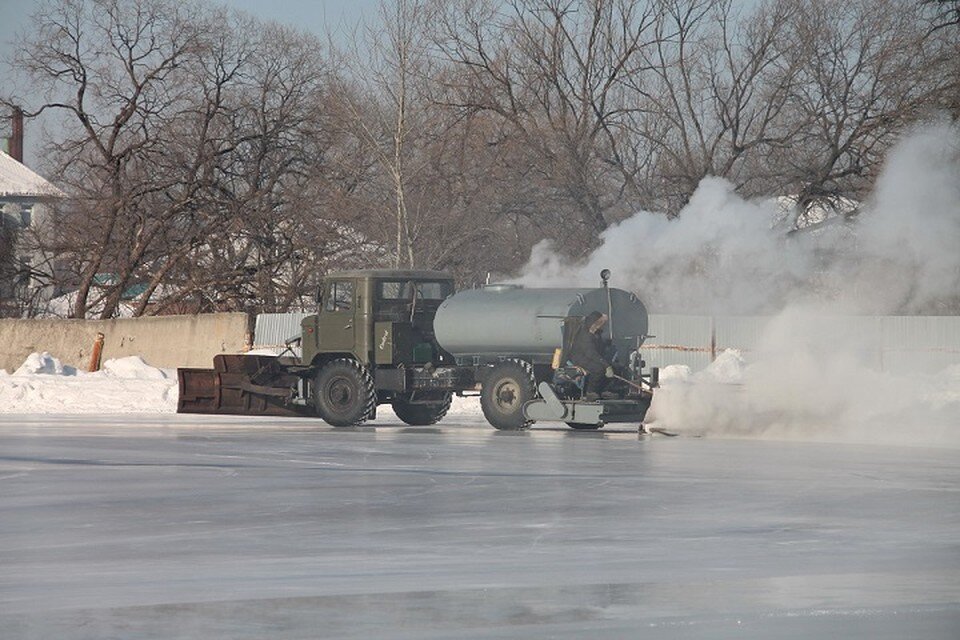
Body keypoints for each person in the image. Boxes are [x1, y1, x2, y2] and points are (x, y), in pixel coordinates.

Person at [566, 311, 616, 401]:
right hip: (579, 357)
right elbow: (591, 353)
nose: (601, 325)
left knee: (613, 367)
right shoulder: (585, 335)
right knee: (598, 369)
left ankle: (603, 391)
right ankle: (590, 392)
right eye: (599, 323)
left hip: (590, 356)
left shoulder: (596, 333)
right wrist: (606, 365)